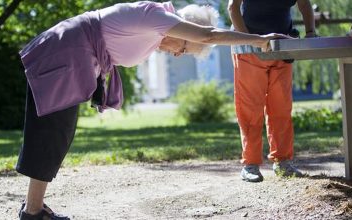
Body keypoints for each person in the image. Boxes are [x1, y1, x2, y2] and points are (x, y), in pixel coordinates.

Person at [16, 1, 288, 219]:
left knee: (56, 133)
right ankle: (32, 211)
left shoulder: (153, 37)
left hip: (73, 54)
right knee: (53, 132)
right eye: (184, 46)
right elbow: (207, 36)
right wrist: (258, 40)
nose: (178, 53)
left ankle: (34, 209)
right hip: (66, 50)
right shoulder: (155, 16)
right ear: (182, 30)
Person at [227, 0, 317, 182]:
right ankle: (250, 164)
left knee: (281, 107)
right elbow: (232, 7)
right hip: (248, 48)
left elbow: (305, 5)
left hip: (282, 47)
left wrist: (310, 33)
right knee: (250, 109)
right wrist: (250, 40)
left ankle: (283, 162)